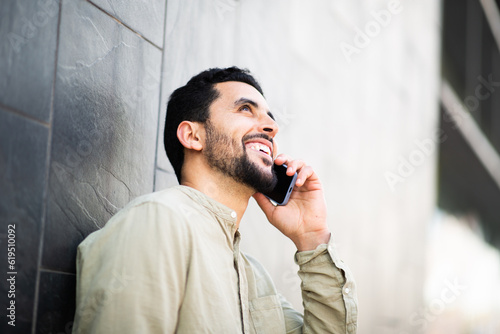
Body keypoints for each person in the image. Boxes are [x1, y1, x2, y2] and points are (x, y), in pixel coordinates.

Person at [72, 67, 358, 333]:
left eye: (271, 117)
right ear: (193, 136)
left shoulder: (253, 276)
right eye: (245, 109)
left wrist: (311, 237)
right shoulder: (158, 220)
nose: (272, 127)